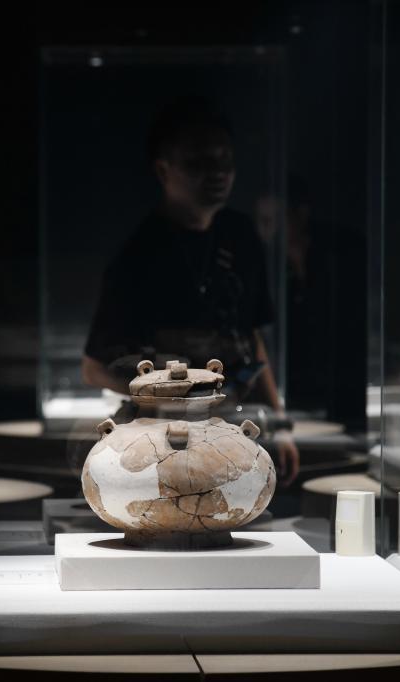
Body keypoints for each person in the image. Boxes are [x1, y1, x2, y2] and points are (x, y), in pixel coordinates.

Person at [81, 97, 300, 484]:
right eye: (199, 162)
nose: (218, 173)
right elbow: (94, 367)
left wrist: (279, 424)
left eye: (224, 160)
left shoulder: (241, 236)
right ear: (163, 169)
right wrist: (172, 398)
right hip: (159, 436)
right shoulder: (139, 256)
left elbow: (251, 339)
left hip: (232, 428)